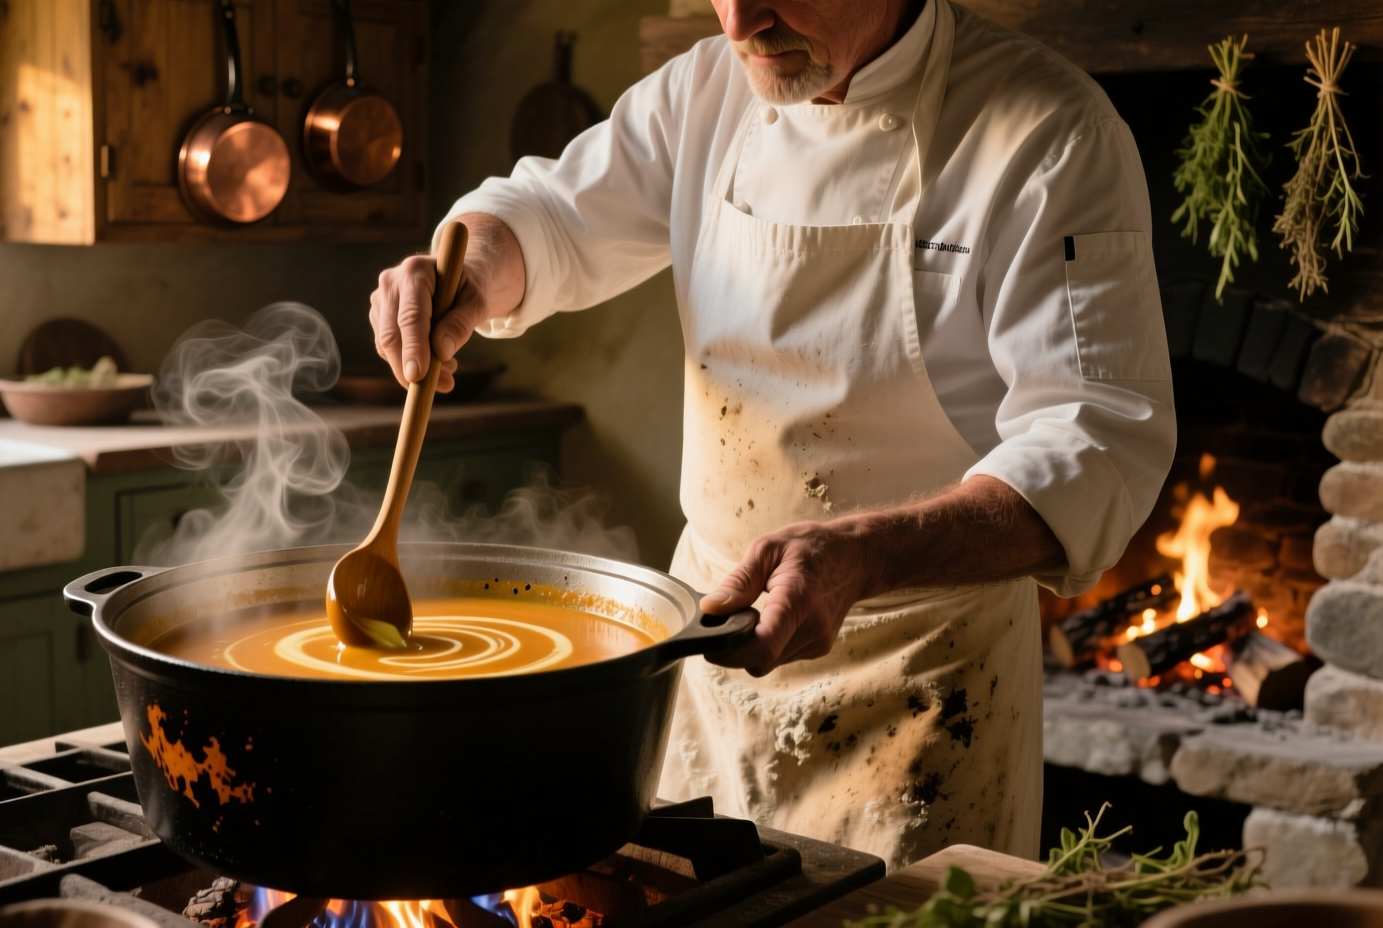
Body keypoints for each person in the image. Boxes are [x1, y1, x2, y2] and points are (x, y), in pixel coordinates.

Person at [367, 0, 1175, 867]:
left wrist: (865, 554)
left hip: (926, 688)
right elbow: (551, 215)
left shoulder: (1053, 132)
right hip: (707, 660)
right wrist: (475, 266)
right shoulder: (705, 92)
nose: (739, 22)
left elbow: (1099, 439)